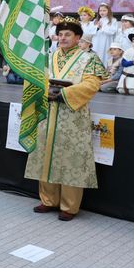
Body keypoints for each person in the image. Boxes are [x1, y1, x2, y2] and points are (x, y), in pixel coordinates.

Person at [26, 15, 107, 221]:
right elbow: (37, 78)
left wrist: (63, 94)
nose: (62, 38)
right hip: (49, 112)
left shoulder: (89, 58)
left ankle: (69, 206)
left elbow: (92, 84)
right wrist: (43, 89)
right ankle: (48, 200)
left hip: (72, 114)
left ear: (78, 37)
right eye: (60, 34)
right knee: (46, 154)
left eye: (67, 34)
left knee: (71, 158)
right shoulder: (49, 56)